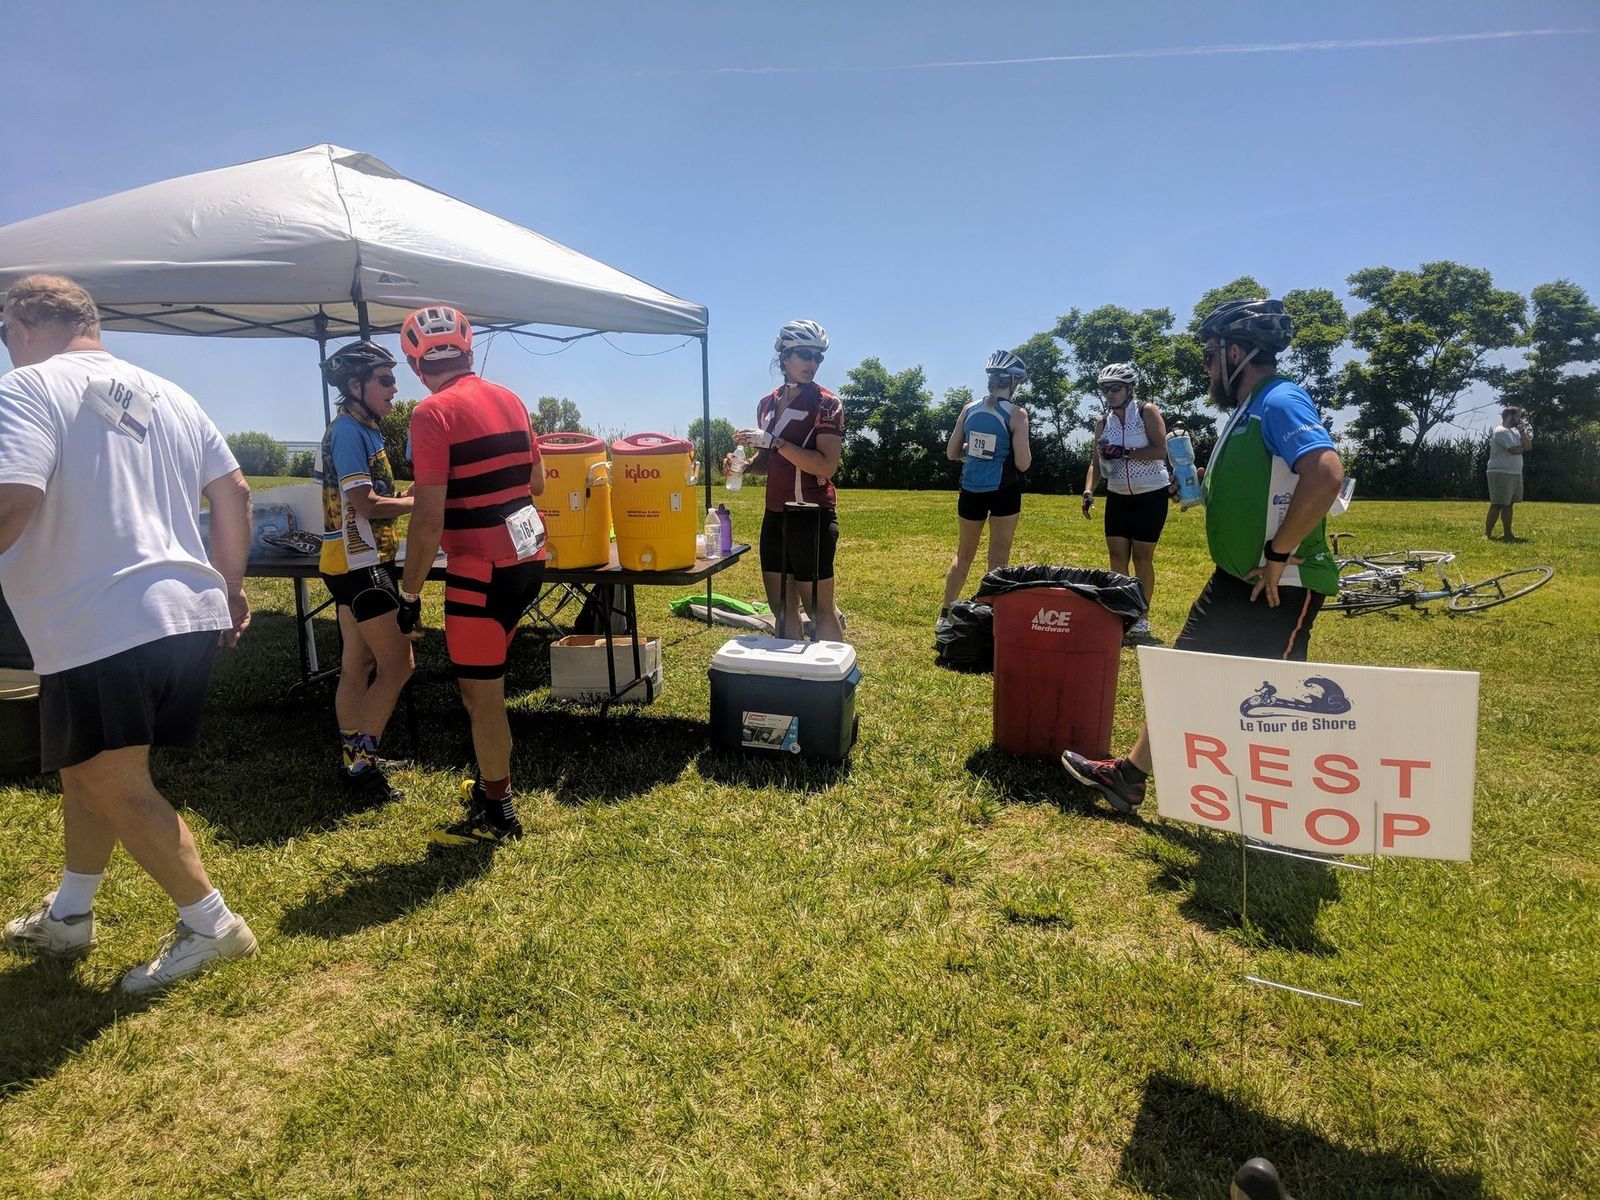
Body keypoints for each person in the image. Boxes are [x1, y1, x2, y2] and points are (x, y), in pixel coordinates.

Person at [0, 274, 257, 993]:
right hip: (182, 613)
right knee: (86, 768)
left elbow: (14, 497)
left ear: (22, 328)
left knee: (111, 779)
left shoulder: (26, 388)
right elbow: (235, 493)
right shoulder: (171, 394)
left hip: (99, 616)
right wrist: (232, 586)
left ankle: (211, 923)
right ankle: (70, 913)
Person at [1061, 298, 1345, 814]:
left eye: (1211, 355)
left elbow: (1325, 475)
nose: (1207, 367)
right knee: (1184, 673)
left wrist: (1279, 553)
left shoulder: (1280, 399)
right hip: (1235, 575)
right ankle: (1129, 778)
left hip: (1278, 582)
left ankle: (1292, 812)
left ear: (1237, 353)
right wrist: (1200, 486)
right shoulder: (1248, 408)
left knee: (1277, 703)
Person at [395, 305, 546, 845]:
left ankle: (498, 812)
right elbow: (538, 483)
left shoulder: (430, 413)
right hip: (528, 561)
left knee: (482, 698)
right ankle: (489, 783)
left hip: (479, 570)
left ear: (416, 365)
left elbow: (427, 519)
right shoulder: (510, 399)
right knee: (488, 685)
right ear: (468, 349)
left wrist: (409, 594)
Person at [317, 340, 414, 795]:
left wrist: (405, 498)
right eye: (385, 380)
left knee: (357, 663)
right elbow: (365, 502)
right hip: (361, 562)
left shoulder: (365, 429)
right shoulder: (347, 432)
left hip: (356, 560)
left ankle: (353, 757)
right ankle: (361, 762)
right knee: (399, 664)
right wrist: (422, 503)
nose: (395, 388)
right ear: (355, 386)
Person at [725, 320, 845, 641]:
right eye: (805, 354)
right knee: (782, 609)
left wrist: (775, 441)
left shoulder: (827, 403)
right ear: (784, 356)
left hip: (811, 514)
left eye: (819, 357)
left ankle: (836, 673)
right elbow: (768, 462)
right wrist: (744, 466)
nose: (813, 363)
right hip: (775, 515)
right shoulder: (766, 404)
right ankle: (791, 669)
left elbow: (826, 465)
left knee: (819, 610)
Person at [1081, 362, 1171, 638]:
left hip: (1151, 492)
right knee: (1117, 556)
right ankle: (1122, 611)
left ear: (1129, 389)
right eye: (1105, 389)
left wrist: (1124, 452)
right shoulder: (1102, 422)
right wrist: (1088, 491)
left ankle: (1141, 616)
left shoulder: (1146, 411)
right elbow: (1096, 461)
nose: (1110, 394)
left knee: (1142, 557)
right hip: (1118, 493)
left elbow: (1161, 451)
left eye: (1115, 388)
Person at [940, 350, 1033, 615]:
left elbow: (951, 453)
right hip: (1004, 490)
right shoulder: (1017, 414)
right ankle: (991, 614)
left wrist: (972, 449)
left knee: (963, 555)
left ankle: (945, 614)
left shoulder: (969, 409)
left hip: (971, 488)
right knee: (998, 557)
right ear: (1014, 381)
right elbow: (1023, 463)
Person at [1484, 406, 1532, 541]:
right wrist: (1522, 447)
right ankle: (1487, 534)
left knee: (1509, 503)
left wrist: (1522, 432)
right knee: (1497, 503)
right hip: (1500, 472)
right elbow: (1515, 450)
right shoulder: (1501, 431)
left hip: (1514, 472)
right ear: (1509, 416)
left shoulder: (1516, 432)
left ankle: (1508, 534)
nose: (1520, 419)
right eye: (1517, 416)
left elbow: (1528, 446)